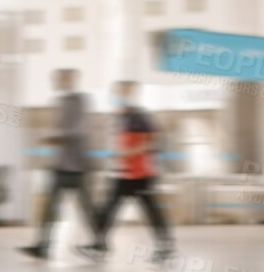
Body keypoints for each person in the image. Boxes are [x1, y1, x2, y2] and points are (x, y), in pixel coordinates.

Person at [83, 80, 175, 262]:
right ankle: (99, 245)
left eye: (124, 92)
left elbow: (153, 141)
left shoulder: (140, 116)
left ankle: (165, 246)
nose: (120, 96)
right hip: (123, 174)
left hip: (142, 175)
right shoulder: (120, 118)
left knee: (151, 210)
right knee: (108, 209)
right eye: (118, 92)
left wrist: (127, 153)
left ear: (133, 94)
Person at [21, 68, 94, 258]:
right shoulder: (59, 101)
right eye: (57, 78)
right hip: (60, 165)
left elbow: (77, 130)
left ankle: (100, 242)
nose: (58, 81)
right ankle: (43, 245)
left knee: (86, 208)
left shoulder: (79, 100)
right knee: (51, 206)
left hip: (76, 166)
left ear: (72, 79)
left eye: (62, 78)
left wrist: (55, 138)